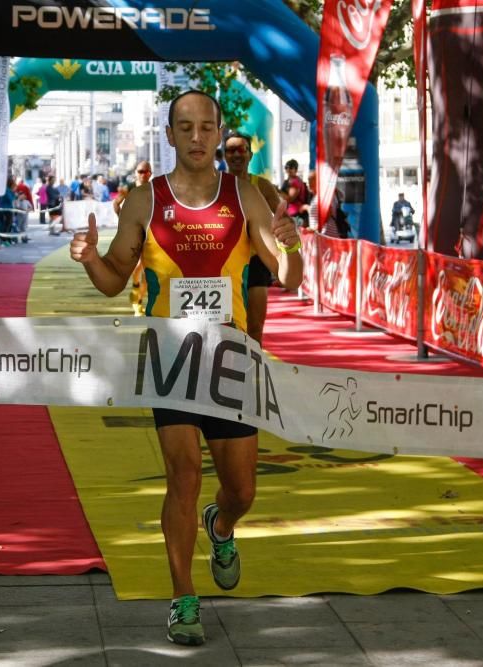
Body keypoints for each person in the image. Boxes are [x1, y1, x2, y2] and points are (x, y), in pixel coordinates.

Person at [70, 90, 302, 647]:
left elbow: (288, 278)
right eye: (185, 127)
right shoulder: (144, 202)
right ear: (170, 134)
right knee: (183, 477)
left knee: (241, 490)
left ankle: (220, 526)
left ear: (218, 133)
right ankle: (182, 596)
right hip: (172, 360)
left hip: (230, 361)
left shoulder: (243, 195)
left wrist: (293, 250)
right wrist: (89, 259)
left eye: (206, 128)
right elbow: (111, 280)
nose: (197, 137)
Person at [223, 132, 282, 345]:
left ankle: (253, 373)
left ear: (250, 154)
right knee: (227, 327)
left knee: (255, 326)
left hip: (256, 262)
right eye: (231, 150)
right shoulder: (214, 184)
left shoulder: (263, 186)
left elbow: (282, 217)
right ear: (224, 156)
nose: (236, 155)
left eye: (241, 150)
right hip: (224, 263)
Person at [113, 161, 154, 315]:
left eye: (146, 171)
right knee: (137, 267)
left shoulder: (153, 188)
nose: (143, 174)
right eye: (140, 171)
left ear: (150, 173)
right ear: (136, 172)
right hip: (134, 233)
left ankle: (138, 302)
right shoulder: (128, 188)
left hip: (150, 232)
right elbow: (116, 204)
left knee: (147, 269)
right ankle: (136, 287)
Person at [280, 159, 308, 224]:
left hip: (295, 214)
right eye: (286, 167)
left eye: (291, 167)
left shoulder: (296, 182)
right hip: (289, 213)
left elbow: (289, 199)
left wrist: (277, 191)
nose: (288, 169)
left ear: (296, 169)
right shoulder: (287, 181)